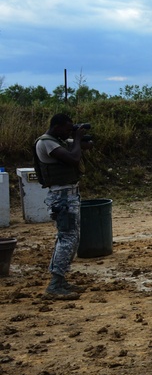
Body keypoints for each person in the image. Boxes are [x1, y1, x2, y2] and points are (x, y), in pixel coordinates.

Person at [34, 113, 93, 300]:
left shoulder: (57, 141)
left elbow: (86, 147)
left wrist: (79, 140)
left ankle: (60, 280)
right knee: (67, 239)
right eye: (67, 128)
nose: (70, 131)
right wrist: (75, 139)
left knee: (71, 238)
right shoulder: (46, 143)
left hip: (68, 195)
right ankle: (55, 284)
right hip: (62, 197)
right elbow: (74, 159)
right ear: (57, 126)